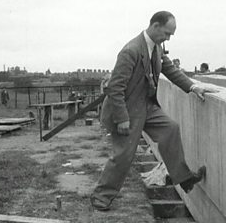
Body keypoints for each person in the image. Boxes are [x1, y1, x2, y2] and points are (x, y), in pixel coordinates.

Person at [91, 11, 218, 211]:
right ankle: (101, 197)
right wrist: (122, 119)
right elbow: (115, 88)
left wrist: (193, 87)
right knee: (123, 155)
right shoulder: (131, 50)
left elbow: (172, 71)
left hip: (147, 107)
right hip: (126, 110)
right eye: (167, 33)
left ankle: (184, 179)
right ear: (155, 26)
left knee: (171, 129)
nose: (168, 38)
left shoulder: (157, 48)